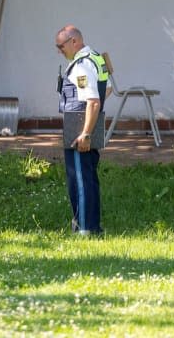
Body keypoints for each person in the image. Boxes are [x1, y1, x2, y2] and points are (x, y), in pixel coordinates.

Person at [55, 25, 109, 235]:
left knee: (79, 180)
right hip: (87, 123)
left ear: (74, 42)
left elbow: (93, 101)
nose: (59, 50)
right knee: (88, 177)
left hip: (79, 128)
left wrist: (85, 132)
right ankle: (92, 226)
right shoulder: (96, 58)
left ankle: (85, 228)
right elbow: (107, 89)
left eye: (61, 46)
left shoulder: (82, 65)